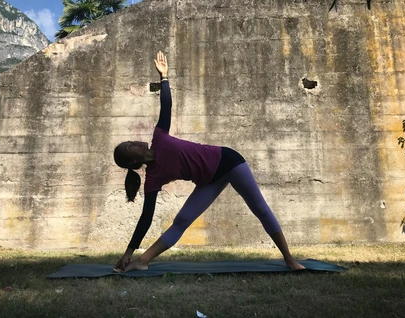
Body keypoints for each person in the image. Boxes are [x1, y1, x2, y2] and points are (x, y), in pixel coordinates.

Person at [113, 51, 305, 272]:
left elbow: (166, 106)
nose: (134, 142)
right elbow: (146, 218)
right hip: (209, 180)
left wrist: (164, 78)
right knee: (182, 220)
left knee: (259, 208)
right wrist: (129, 251)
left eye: (130, 141)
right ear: (133, 160)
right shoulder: (153, 179)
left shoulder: (159, 137)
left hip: (229, 162)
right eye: (130, 147)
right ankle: (142, 261)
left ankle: (289, 259)